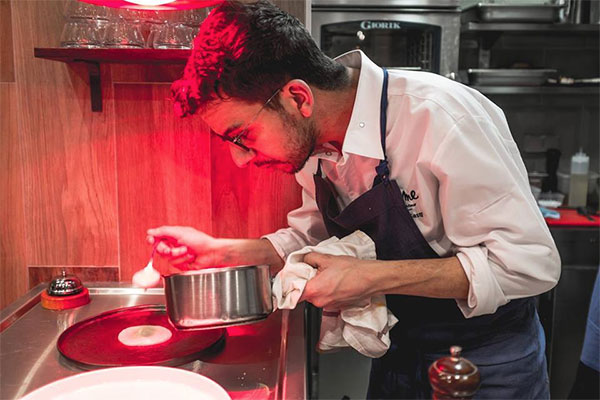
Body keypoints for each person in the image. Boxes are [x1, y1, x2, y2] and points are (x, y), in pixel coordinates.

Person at [147, 1, 561, 398]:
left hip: (487, 364)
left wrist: (371, 276)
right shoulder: (314, 150)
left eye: (242, 136)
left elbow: (528, 263)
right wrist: (218, 253)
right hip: (399, 355)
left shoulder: (440, 117)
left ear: (298, 98)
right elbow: (310, 239)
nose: (240, 159)